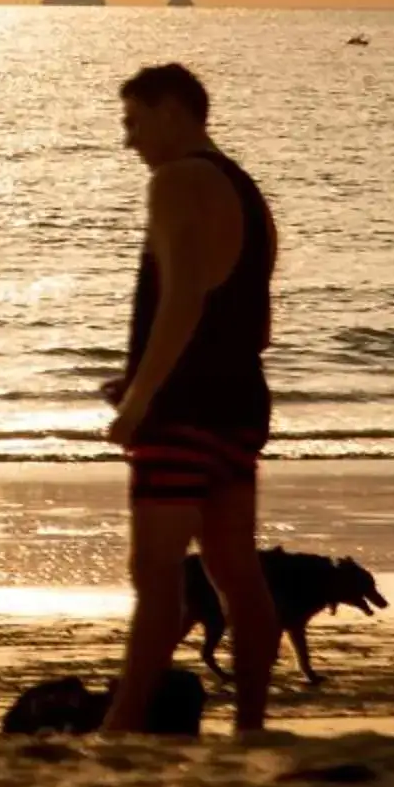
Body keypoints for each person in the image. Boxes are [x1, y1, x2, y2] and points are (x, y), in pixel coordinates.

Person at [101, 63, 282, 734]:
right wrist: (143, 376)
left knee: (156, 574)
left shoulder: (175, 180)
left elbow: (182, 297)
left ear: (173, 112)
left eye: (135, 123)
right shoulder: (247, 191)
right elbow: (248, 317)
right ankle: (252, 724)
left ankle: (122, 724)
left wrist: (140, 398)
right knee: (236, 570)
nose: (130, 142)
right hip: (239, 403)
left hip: (181, 411)